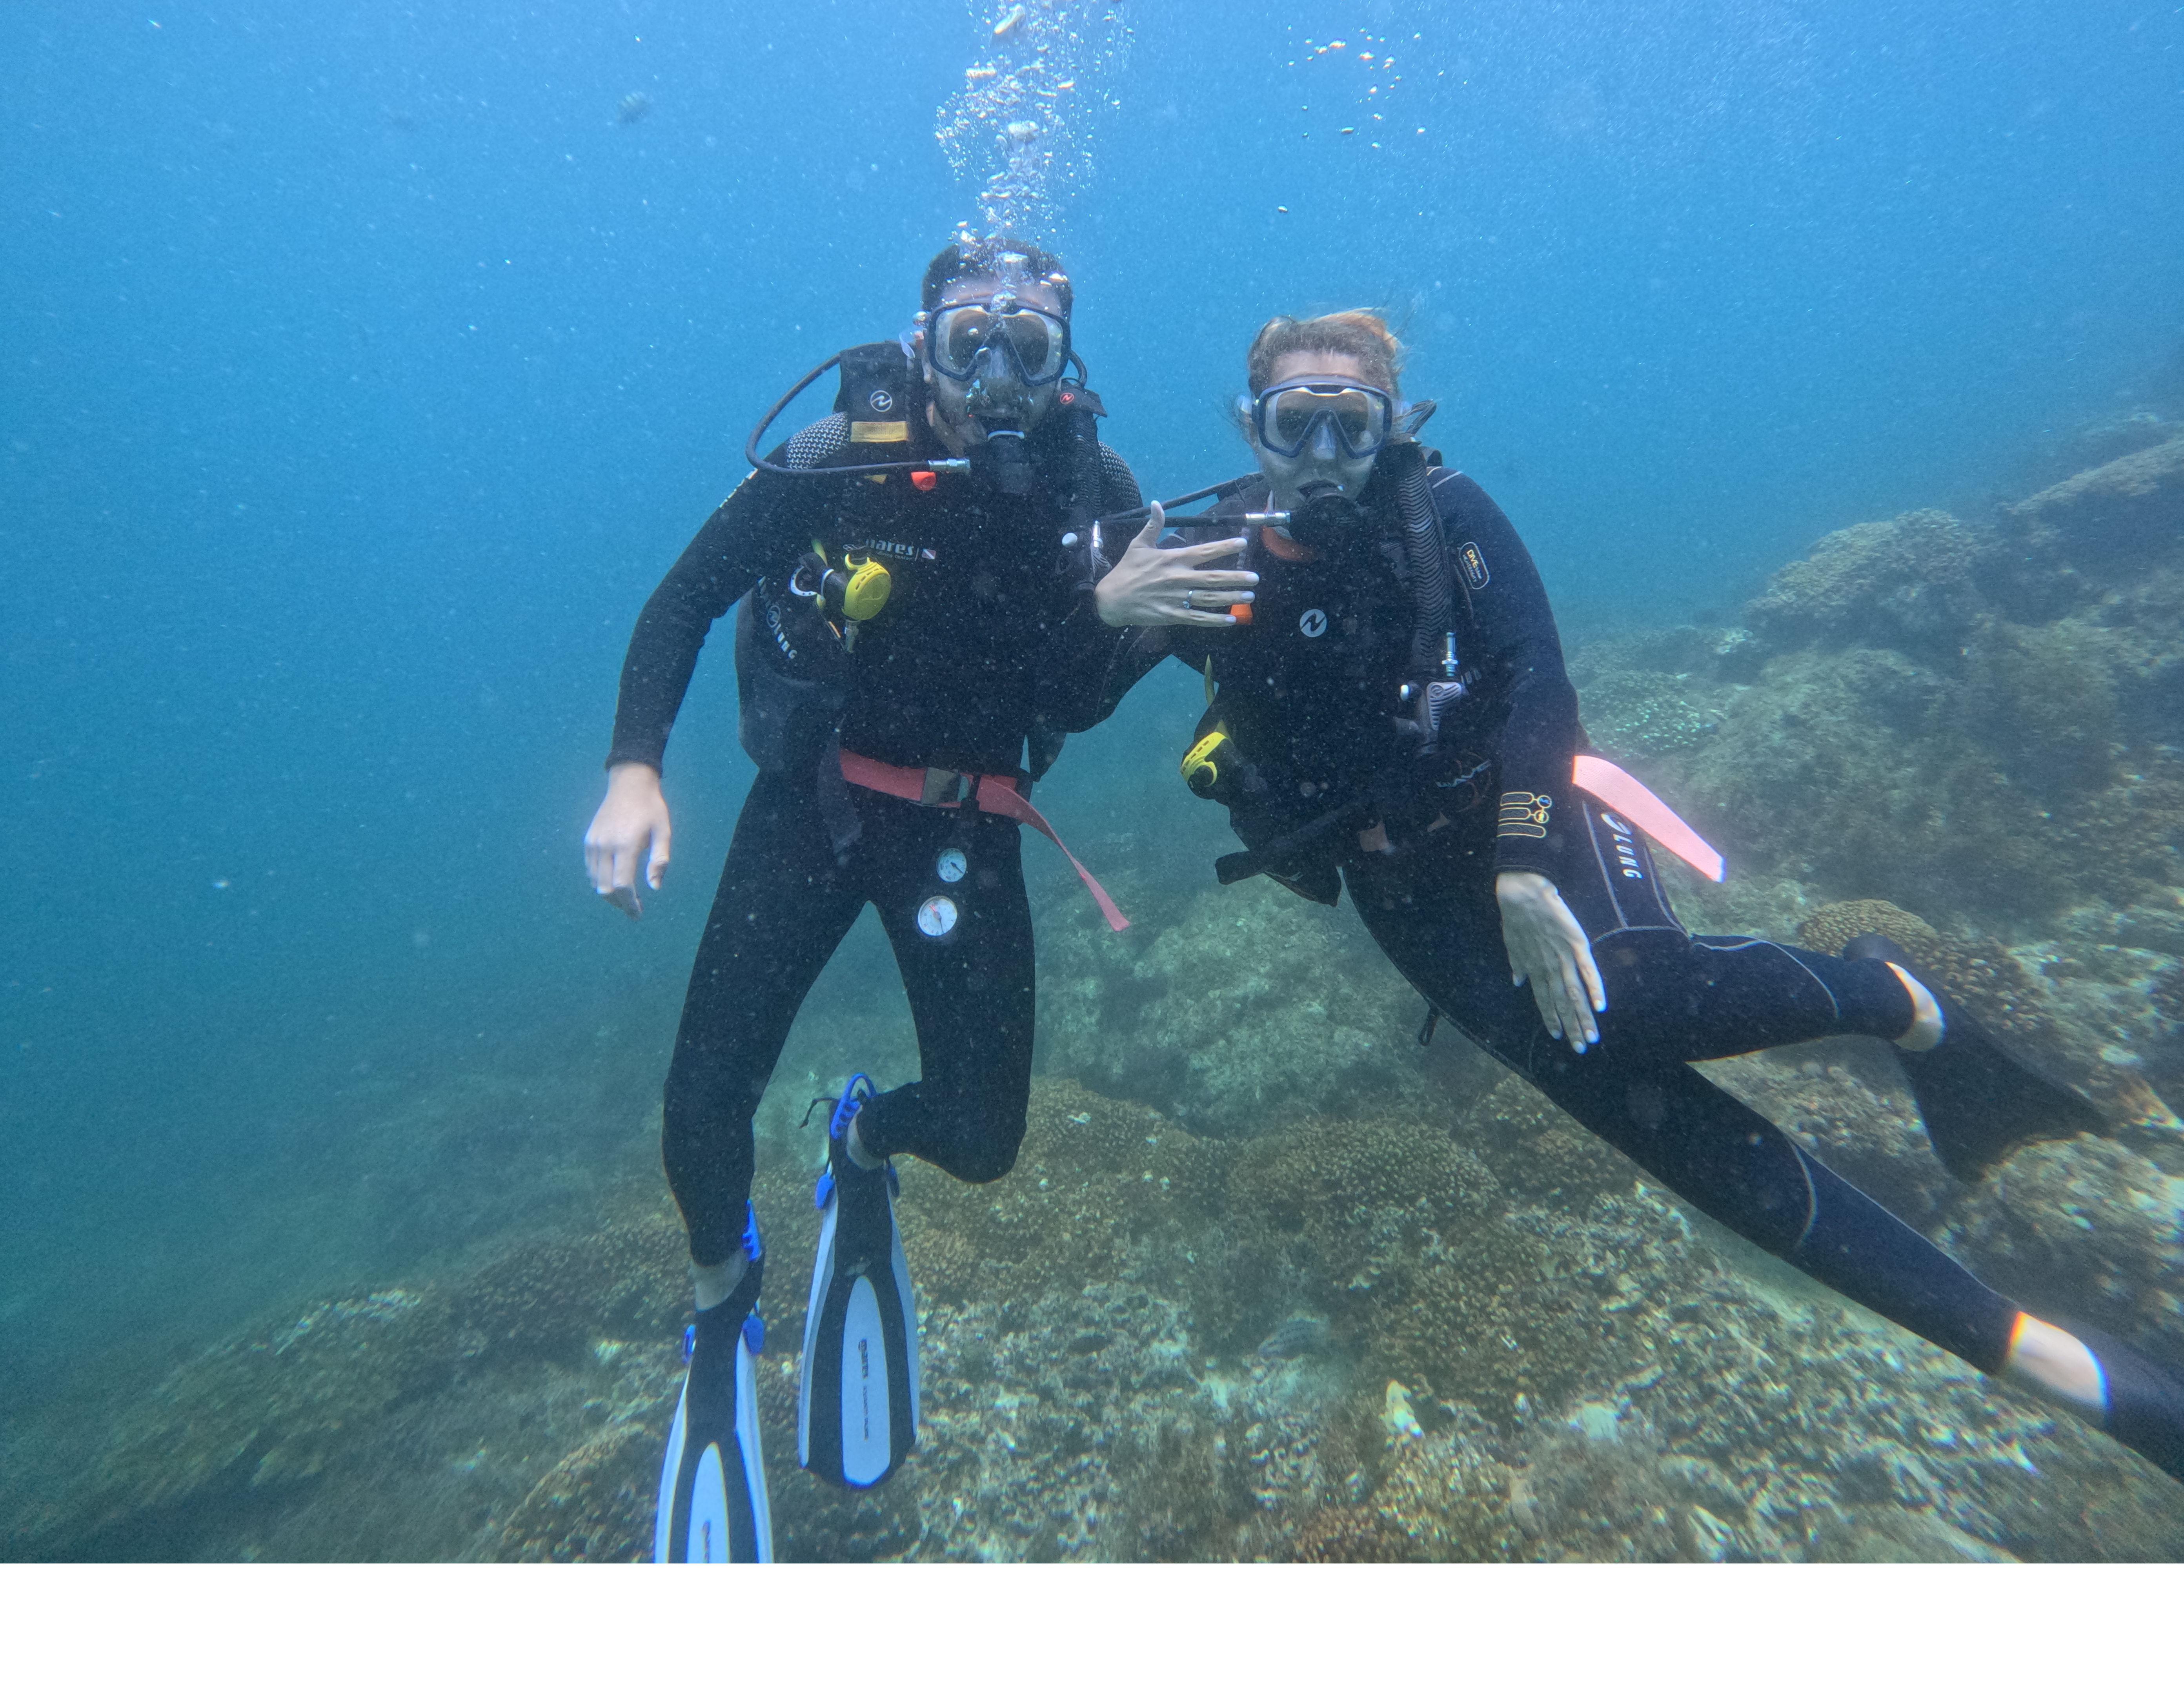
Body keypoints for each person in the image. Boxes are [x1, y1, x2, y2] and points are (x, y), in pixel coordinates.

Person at [1092, 306, 2184, 1489]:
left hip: (1531, 820)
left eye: (1348, 426)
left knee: (1640, 1000)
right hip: (1397, 889)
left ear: (1392, 428)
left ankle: (1894, 994)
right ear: (1250, 430)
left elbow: (1539, 683)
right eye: (1293, 425)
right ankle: (2052, 1362)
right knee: (1633, 1112)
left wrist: (1518, 861)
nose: (1319, 457)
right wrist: (1103, 615)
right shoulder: (1206, 558)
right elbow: (1055, 700)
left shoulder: (1443, 516)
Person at [586, 237, 1212, 1562]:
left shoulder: (1091, 489)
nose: (998, 375)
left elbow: (1068, 706)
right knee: (700, 1103)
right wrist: (633, 769)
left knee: (984, 1138)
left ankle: (861, 1142)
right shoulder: (834, 462)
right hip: (812, 809)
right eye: (972, 342)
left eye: (1028, 351)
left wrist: (1126, 619)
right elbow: (684, 598)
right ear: (921, 341)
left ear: (1065, 365)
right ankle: (722, 1290)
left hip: (960, 831)